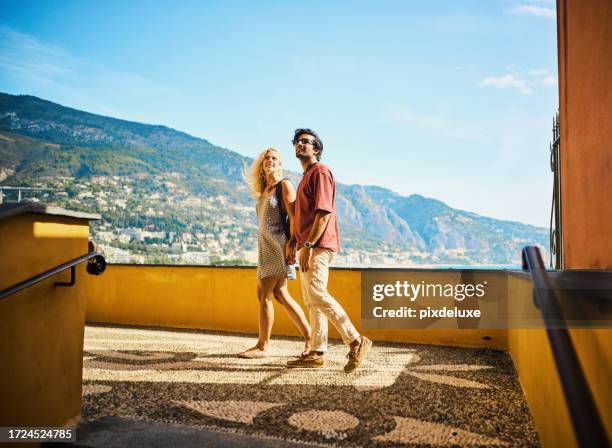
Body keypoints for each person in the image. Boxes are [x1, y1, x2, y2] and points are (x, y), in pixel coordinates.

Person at [286, 129, 372, 372]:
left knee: (316, 293)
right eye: (298, 142)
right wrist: (295, 241)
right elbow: (303, 216)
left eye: (306, 142)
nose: (300, 145)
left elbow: (324, 212)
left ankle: (356, 340)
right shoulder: (306, 176)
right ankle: (317, 351)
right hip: (307, 245)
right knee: (312, 300)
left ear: (317, 150)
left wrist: (310, 245)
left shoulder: (321, 172)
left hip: (318, 245)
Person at [238, 147, 312, 359]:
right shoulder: (264, 190)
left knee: (264, 294)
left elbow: (295, 217)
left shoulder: (284, 186)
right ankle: (310, 338)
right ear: (262, 164)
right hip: (265, 246)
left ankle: (263, 346)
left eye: (274, 158)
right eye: (266, 158)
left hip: (279, 246)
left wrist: (293, 244)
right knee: (280, 294)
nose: (270, 160)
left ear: (280, 164)